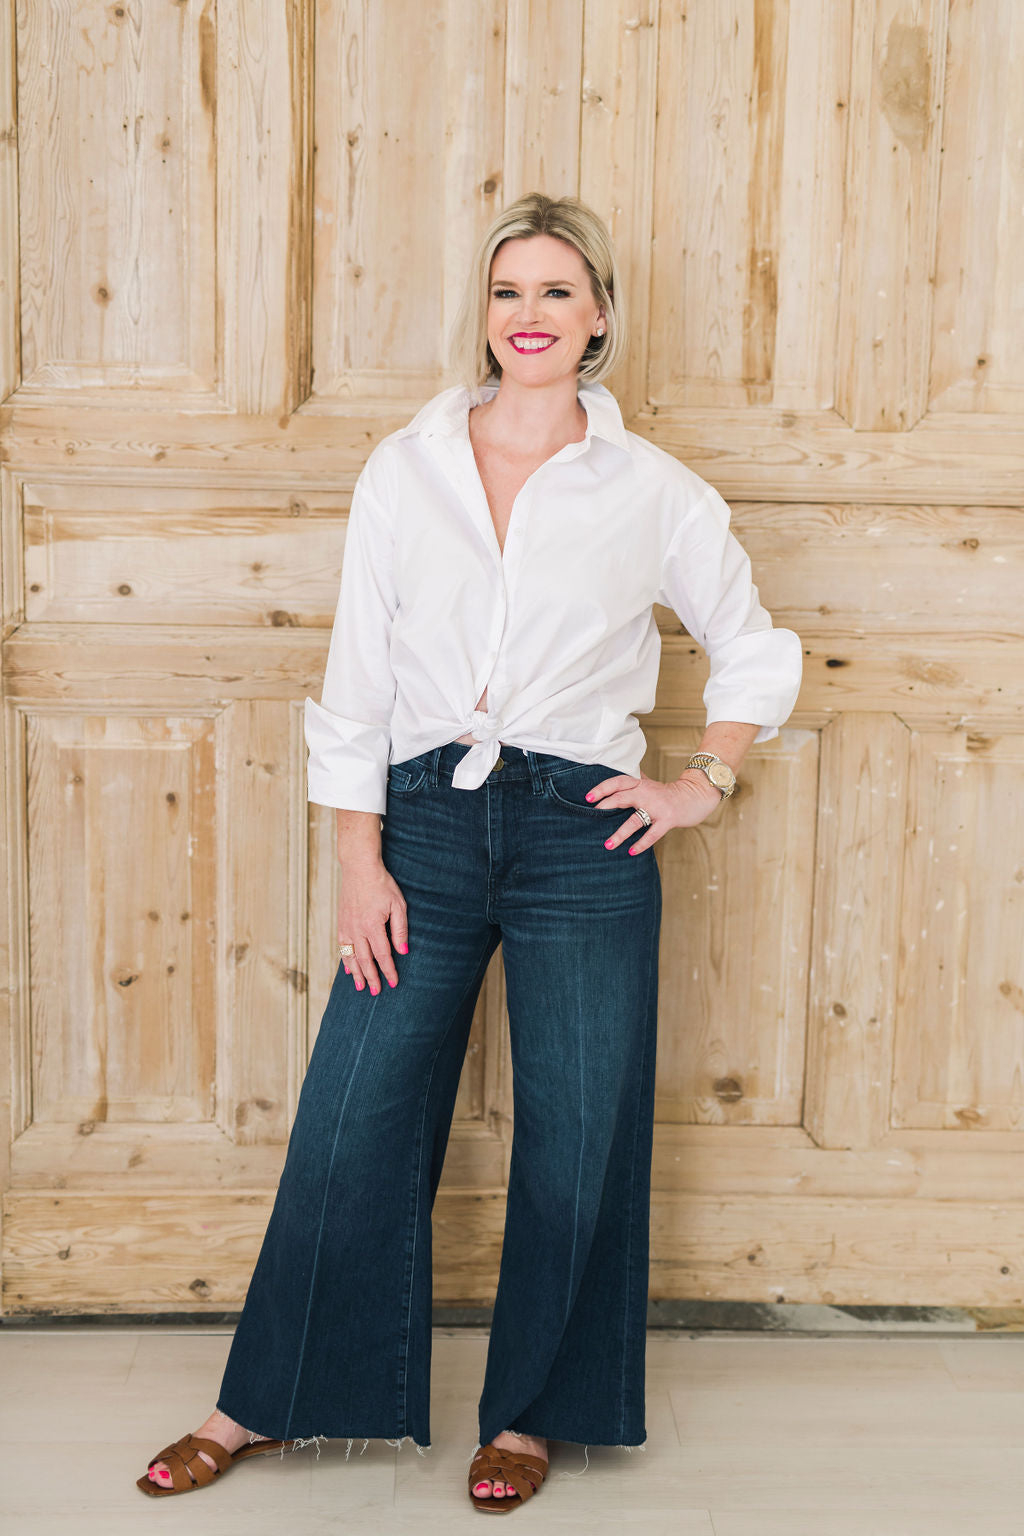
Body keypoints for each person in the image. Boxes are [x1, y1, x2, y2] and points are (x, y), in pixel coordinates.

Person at [136, 191, 802, 1513]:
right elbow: (358, 671)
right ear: (485, 316)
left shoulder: (653, 490)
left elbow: (754, 641)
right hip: (423, 824)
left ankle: (535, 1416)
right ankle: (255, 1402)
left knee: (579, 1127)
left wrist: (700, 782)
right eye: (511, 292)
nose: (532, 316)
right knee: (353, 1114)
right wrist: (356, 858)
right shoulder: (409, 467)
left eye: (559, 292)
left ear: (600, 315)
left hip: (581, 832)